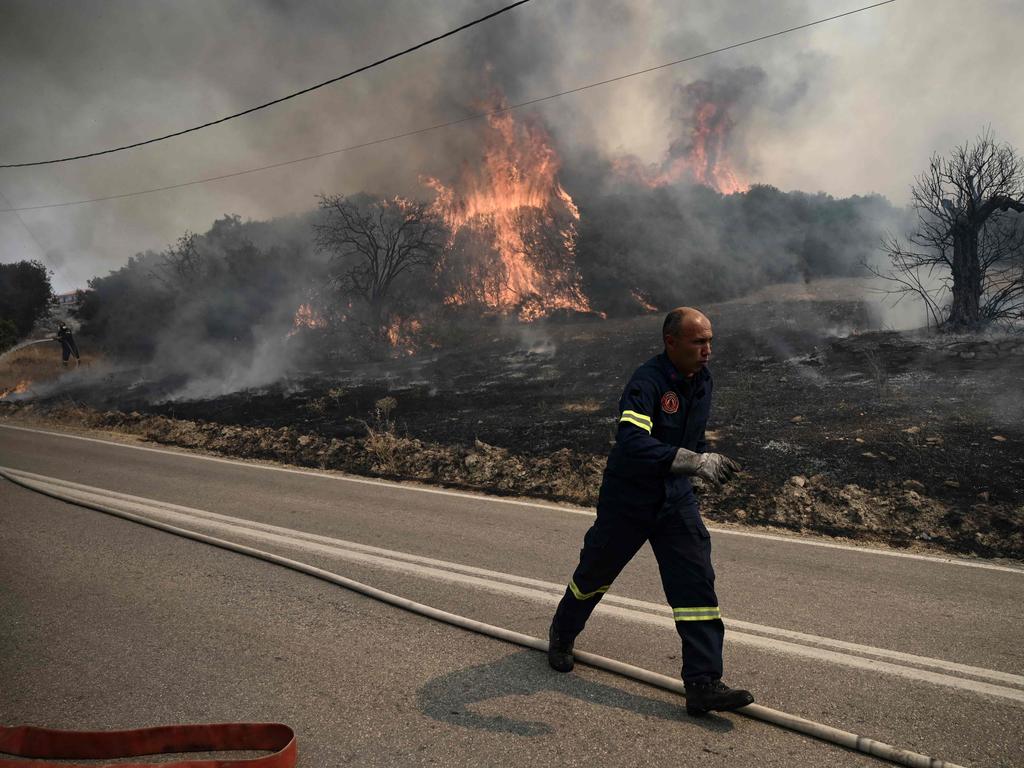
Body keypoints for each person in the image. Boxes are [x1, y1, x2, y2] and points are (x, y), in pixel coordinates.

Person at [547, 307, 753, 717]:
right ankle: (562, 633)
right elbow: (631, 442)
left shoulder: (702, 380)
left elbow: (689, 435)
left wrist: (697, 461)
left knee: (696, 587)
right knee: (594, 574)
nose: (707, 350)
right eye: (698, 342)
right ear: (670, 342)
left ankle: (703, 684)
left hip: (675, 498)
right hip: (630, 499)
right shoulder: (648, 382)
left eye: (710, 340)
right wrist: (693, 460)